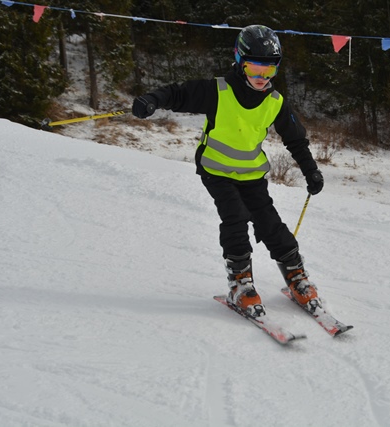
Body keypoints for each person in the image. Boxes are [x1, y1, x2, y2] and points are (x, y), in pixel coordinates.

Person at [132, 25, 324, 318]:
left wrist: (311, 171)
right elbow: (177, 93)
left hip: (251, 174)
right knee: (235, 216)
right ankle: (240, 283)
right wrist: (151, 100)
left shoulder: (275, 102)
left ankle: (296, 275)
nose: (262, 78)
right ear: (239, 60)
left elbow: (296, 139)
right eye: (255, 68)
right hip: (217, 170)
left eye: (269, 70)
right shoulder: (217, 90)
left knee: (269, 223)